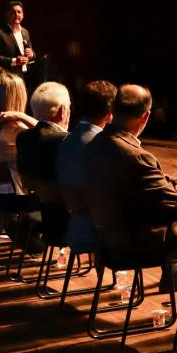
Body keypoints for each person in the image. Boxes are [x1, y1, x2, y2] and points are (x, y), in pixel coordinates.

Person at [83, 84, 177, 291]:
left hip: (108, 242)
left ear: (112, 112)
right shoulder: (136, 156)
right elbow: (172, 203)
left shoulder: (94, 146)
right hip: (136, 245)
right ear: (145, 117)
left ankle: (174, 278)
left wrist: (167, 183)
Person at [56, 80, 117, 254]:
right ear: (110, 114)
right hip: (101, 233)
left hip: (74, 227)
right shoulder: (103, 146)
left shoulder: (66, 140)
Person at [14, 82, 72, 239]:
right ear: (63, 110)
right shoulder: (67, 142)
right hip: (67, 221)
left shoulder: (23, 138)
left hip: (34, 213)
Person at [0, 1, 36, 76]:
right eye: (13, 12)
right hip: (7, 76)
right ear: (7, 15)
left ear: (23, 15)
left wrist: (31, 54)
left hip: (25, 75)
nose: (16, 14)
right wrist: (15, 61)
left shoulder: (25, 32)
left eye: (19, 12)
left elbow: (32, 53)